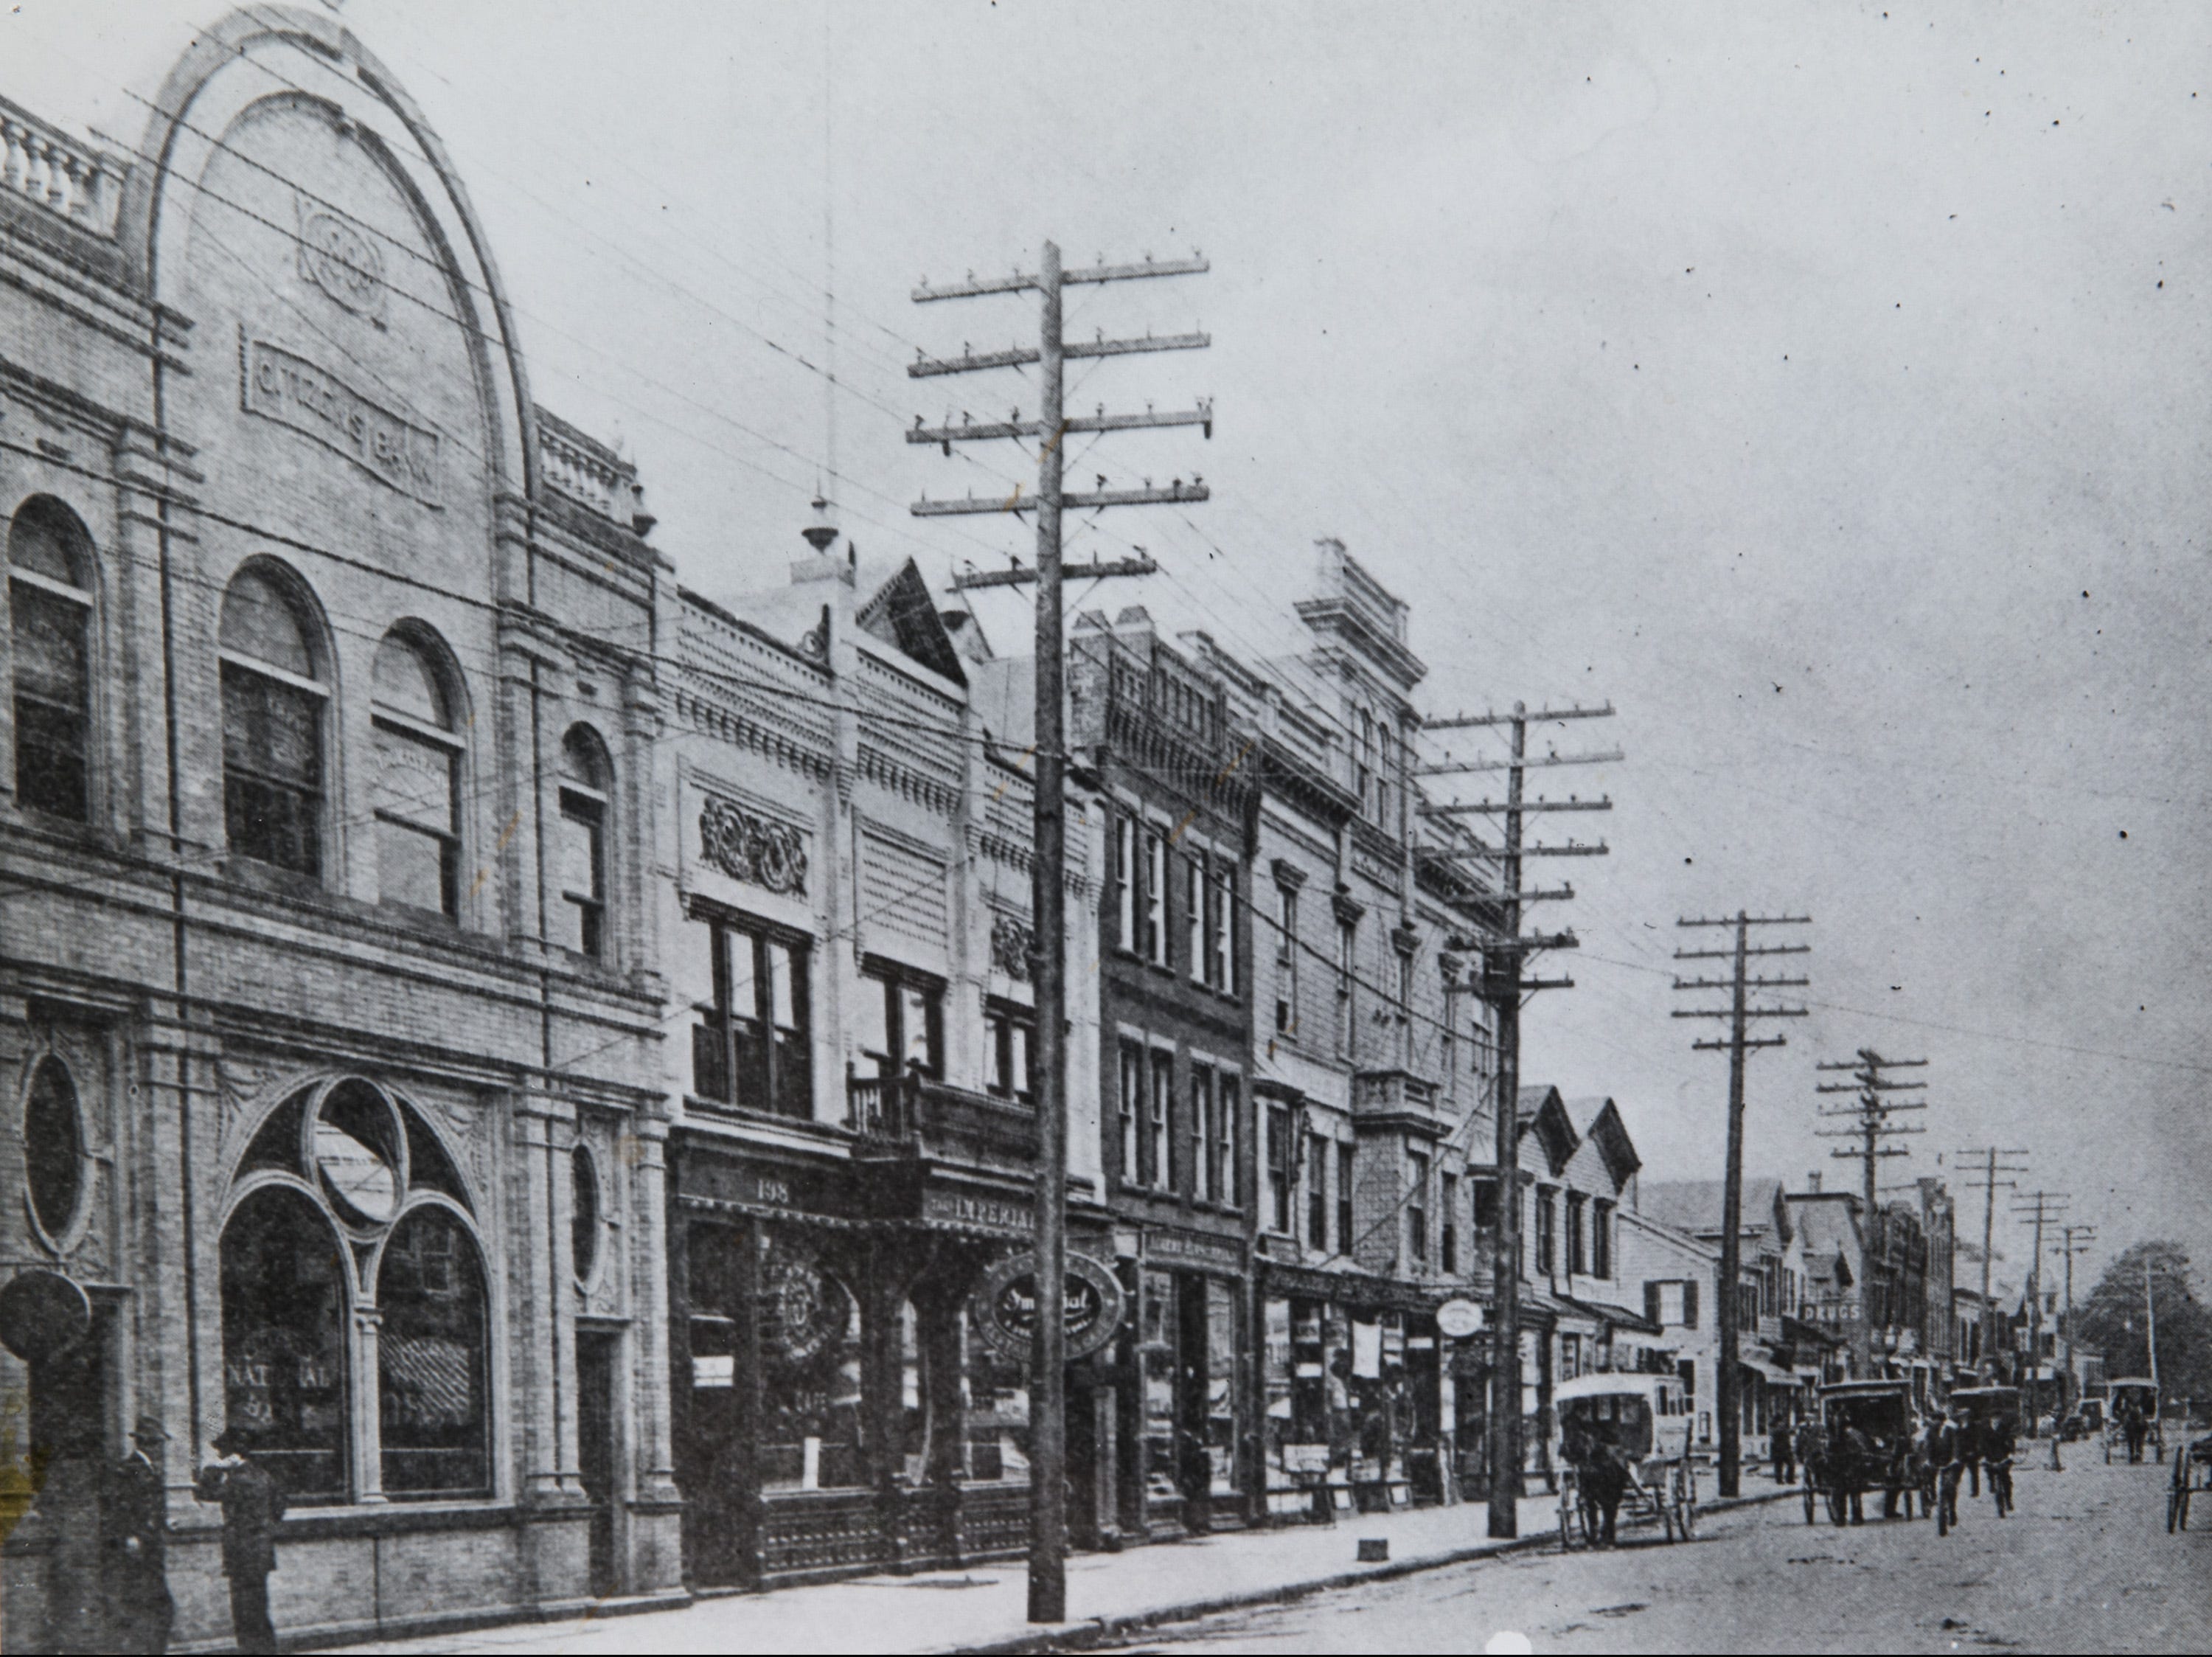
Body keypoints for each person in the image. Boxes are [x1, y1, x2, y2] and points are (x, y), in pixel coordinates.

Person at [195, 1428, 287, 1656]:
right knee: (258, 1608)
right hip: (261, 1551)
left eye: (222, 1453)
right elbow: (280, 1507)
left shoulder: (237, 1481)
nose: (220, 1457)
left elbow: (204, 1493)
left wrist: (213, 1469)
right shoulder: (264, 1475)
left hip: (242, 1552)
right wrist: (263, 1529)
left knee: (244, 1612)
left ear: (234, 1455)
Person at [105, 1414, 175, 1655]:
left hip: (151, 1540)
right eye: (156, 1443)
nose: (159, 1449)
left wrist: (165, 1521)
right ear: (147, 1444)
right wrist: (131, 1536)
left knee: (155, 1598)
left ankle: (152, 1648)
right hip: (141, 1542)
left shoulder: (147, 1468)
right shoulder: (131, 1468)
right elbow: (122, 1505)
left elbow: (151, 1504)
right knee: (150, 1599)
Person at [1983, 1408, 2018, 1518]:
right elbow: (1981, 1444)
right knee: (1989, 1471)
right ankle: (1991, 1482)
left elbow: (2011, 1441)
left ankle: (2008, 1500)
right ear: (1990, 1419)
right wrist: (1982, 1456)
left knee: (2006, 1480)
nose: (1996, 1420)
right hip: (1990, 1458)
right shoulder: (1986, 1430)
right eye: (1994, 1418)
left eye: (1998, 1418)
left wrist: (2011, 1453)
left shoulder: (2005, 1428)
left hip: (2003, 1456)